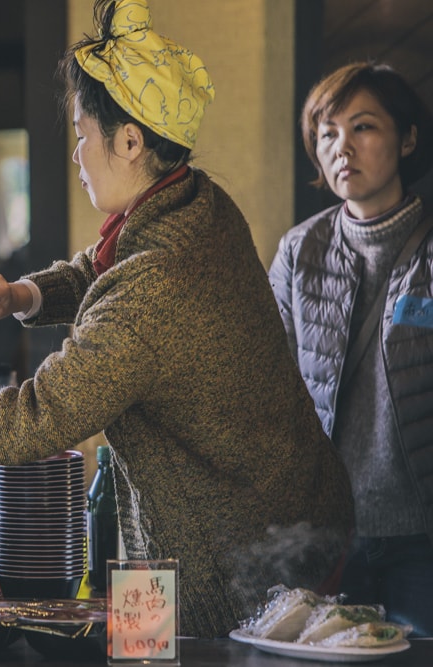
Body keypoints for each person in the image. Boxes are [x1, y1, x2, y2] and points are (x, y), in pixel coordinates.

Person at [0, 0, 353, 638]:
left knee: (181, 654)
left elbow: (32, 420)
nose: (76, 154)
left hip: (238, 558)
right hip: (228, 517)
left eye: (82, 135)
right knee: (139, 645)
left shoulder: (155, 286)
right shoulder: (196, 201)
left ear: (129, 140)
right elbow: (99, 270)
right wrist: (24, 294)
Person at [268, 62, 433, 637]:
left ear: (407, 138)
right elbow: (269, 383)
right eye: (327, 132)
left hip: (421, 539)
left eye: (363, 128)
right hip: (328, 540)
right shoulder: (300, 251)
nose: (342, 148)